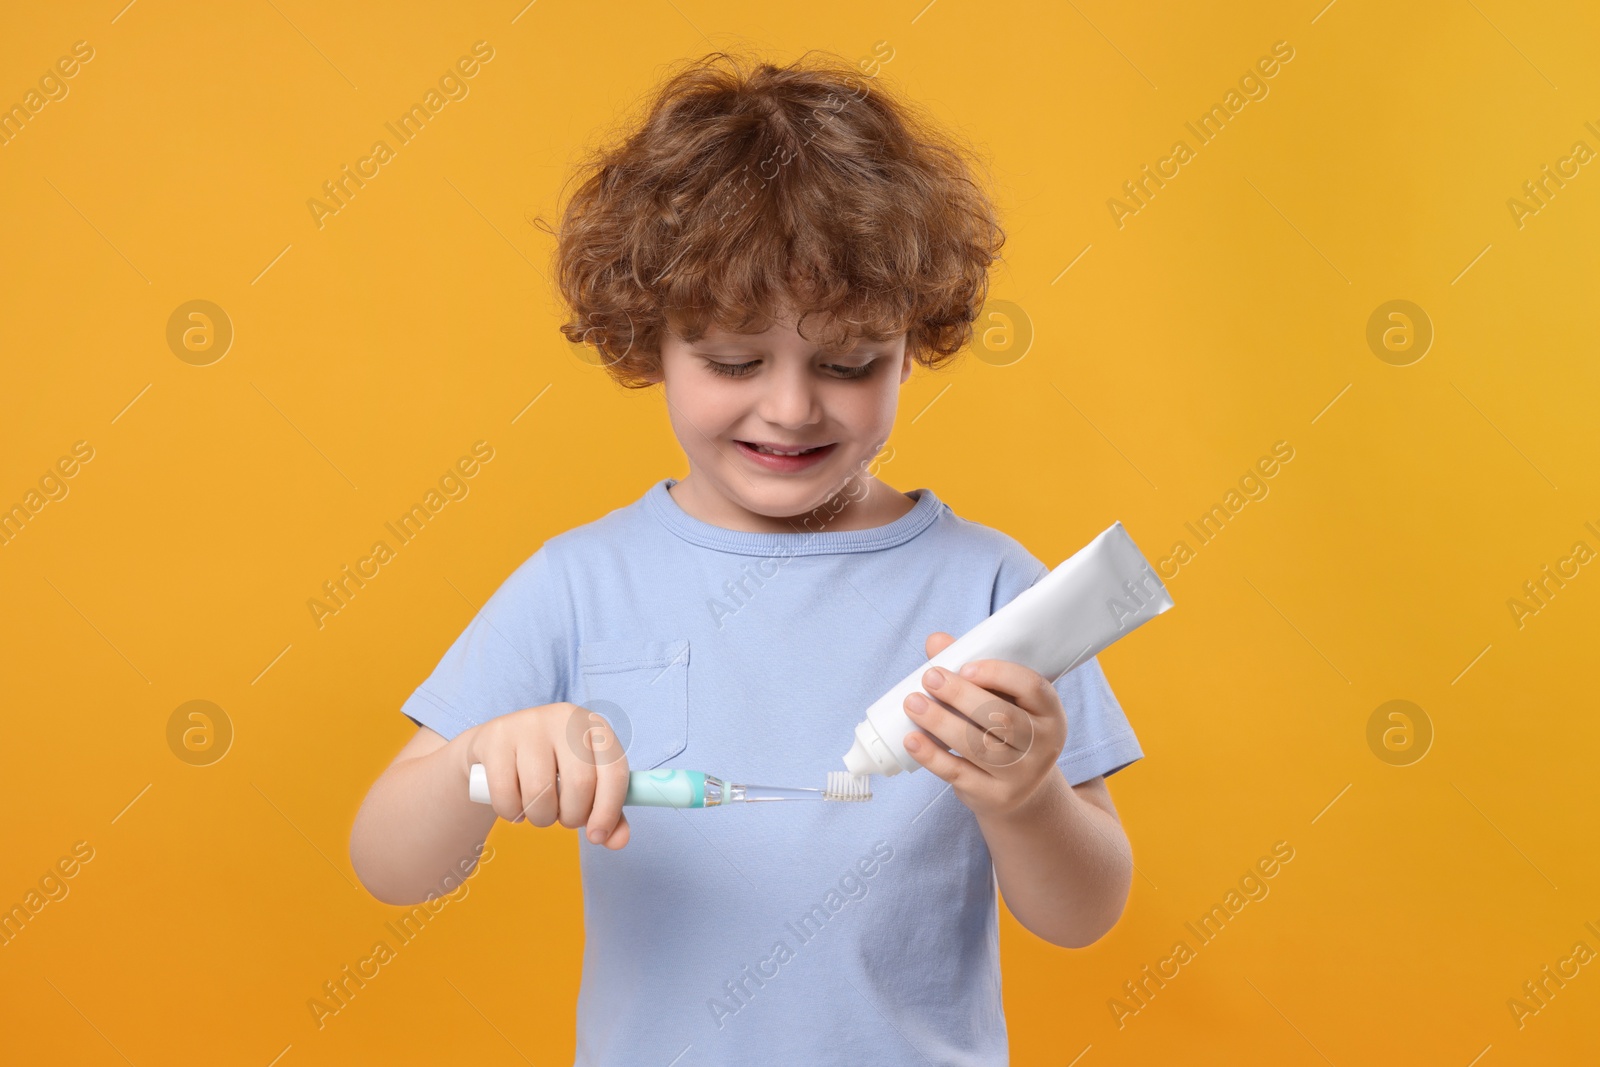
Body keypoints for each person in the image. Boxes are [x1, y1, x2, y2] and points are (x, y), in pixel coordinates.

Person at [349, 48, 1142, 1066]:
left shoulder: (991, 589)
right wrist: (472, 764)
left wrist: (1026, 797)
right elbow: (388, 864)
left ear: (913, 345)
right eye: (732, 360)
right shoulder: (581, 581)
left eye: (850, 361)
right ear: (648, 343)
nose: (790, 405)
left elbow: (1084, 913)